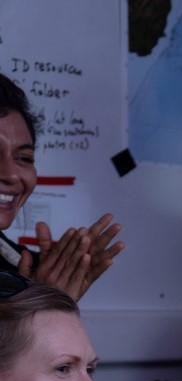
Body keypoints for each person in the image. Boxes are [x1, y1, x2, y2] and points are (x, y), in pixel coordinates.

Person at [0, 75, 125, 301]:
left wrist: (42, 287)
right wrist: (42, 305)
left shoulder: (18, 264)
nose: (11, 174)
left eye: (24, 157)